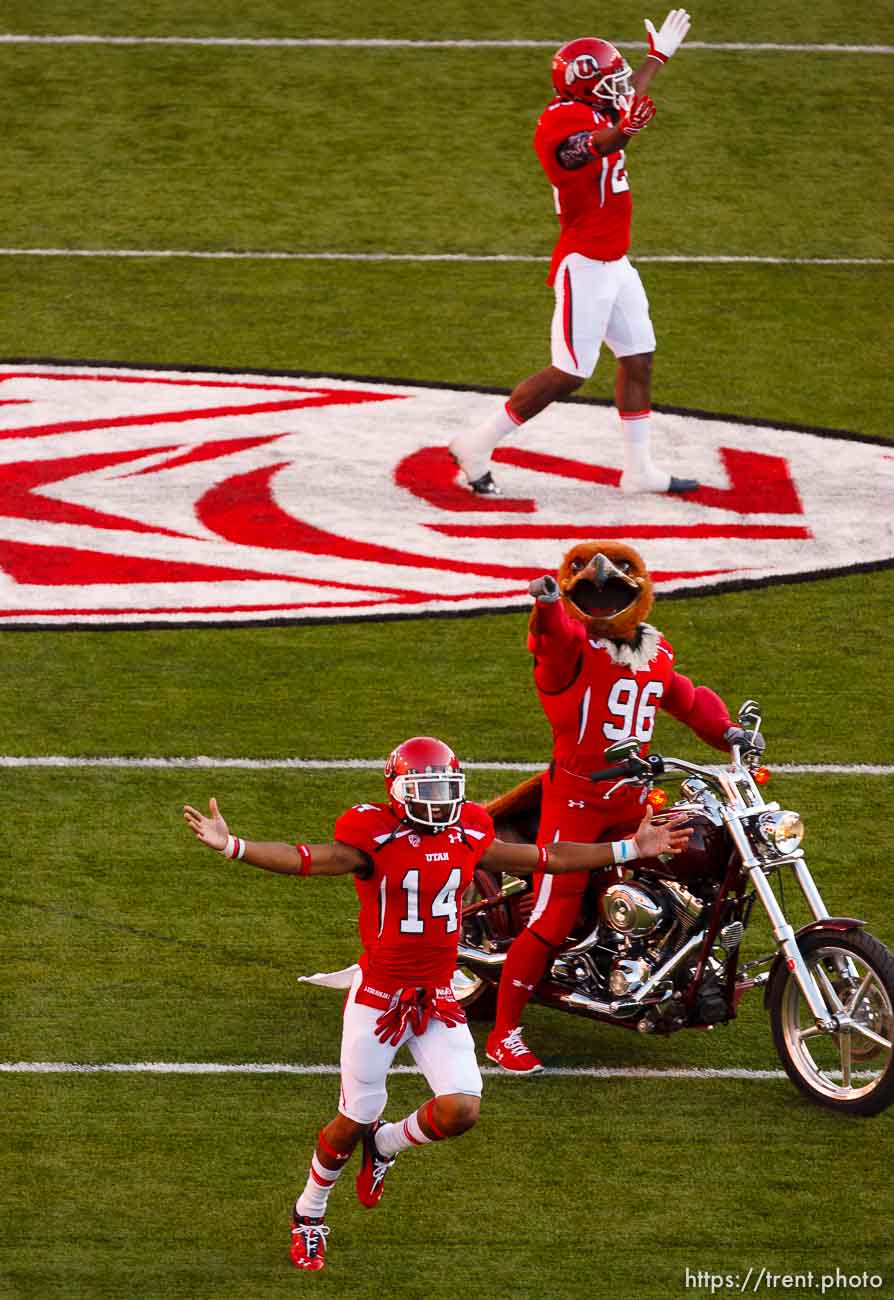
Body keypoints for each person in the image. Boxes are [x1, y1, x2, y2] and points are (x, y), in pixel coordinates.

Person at [183, 734, 692, 1272]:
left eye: (445, 788)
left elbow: (546, 857)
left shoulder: (469, 829)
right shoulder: (372, 835)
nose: (438, 800)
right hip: (379, 998)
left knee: (461, 1109)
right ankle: (309, 1212)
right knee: (352, 1115)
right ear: (398, 791)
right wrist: (233, 845)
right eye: (425, 788)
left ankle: (386, 1147)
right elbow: (306, 859)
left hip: (437, 995)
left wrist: (629, 849)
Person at [485, 542, 764, 1074]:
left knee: (691, 872)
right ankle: (503, 1033)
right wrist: (545, 607)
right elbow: (551, 642)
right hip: (577, 801)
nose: (603, 590)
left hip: (633, 798)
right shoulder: (574, 648)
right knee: (552, 913)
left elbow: (684, 697)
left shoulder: (656, 651)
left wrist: (726, 731)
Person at [449, 10, 699, 498]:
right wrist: (625, 130)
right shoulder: (560, 124)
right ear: (583, 87)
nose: (621, 88)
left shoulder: (595, 103)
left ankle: (640, 470)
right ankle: (476, 443)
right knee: (570, 372)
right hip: (584, 262)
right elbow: (589, 148)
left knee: (638, 357)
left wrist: (656, 58)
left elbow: (624, 106)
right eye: (610, 81)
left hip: (615, 260)